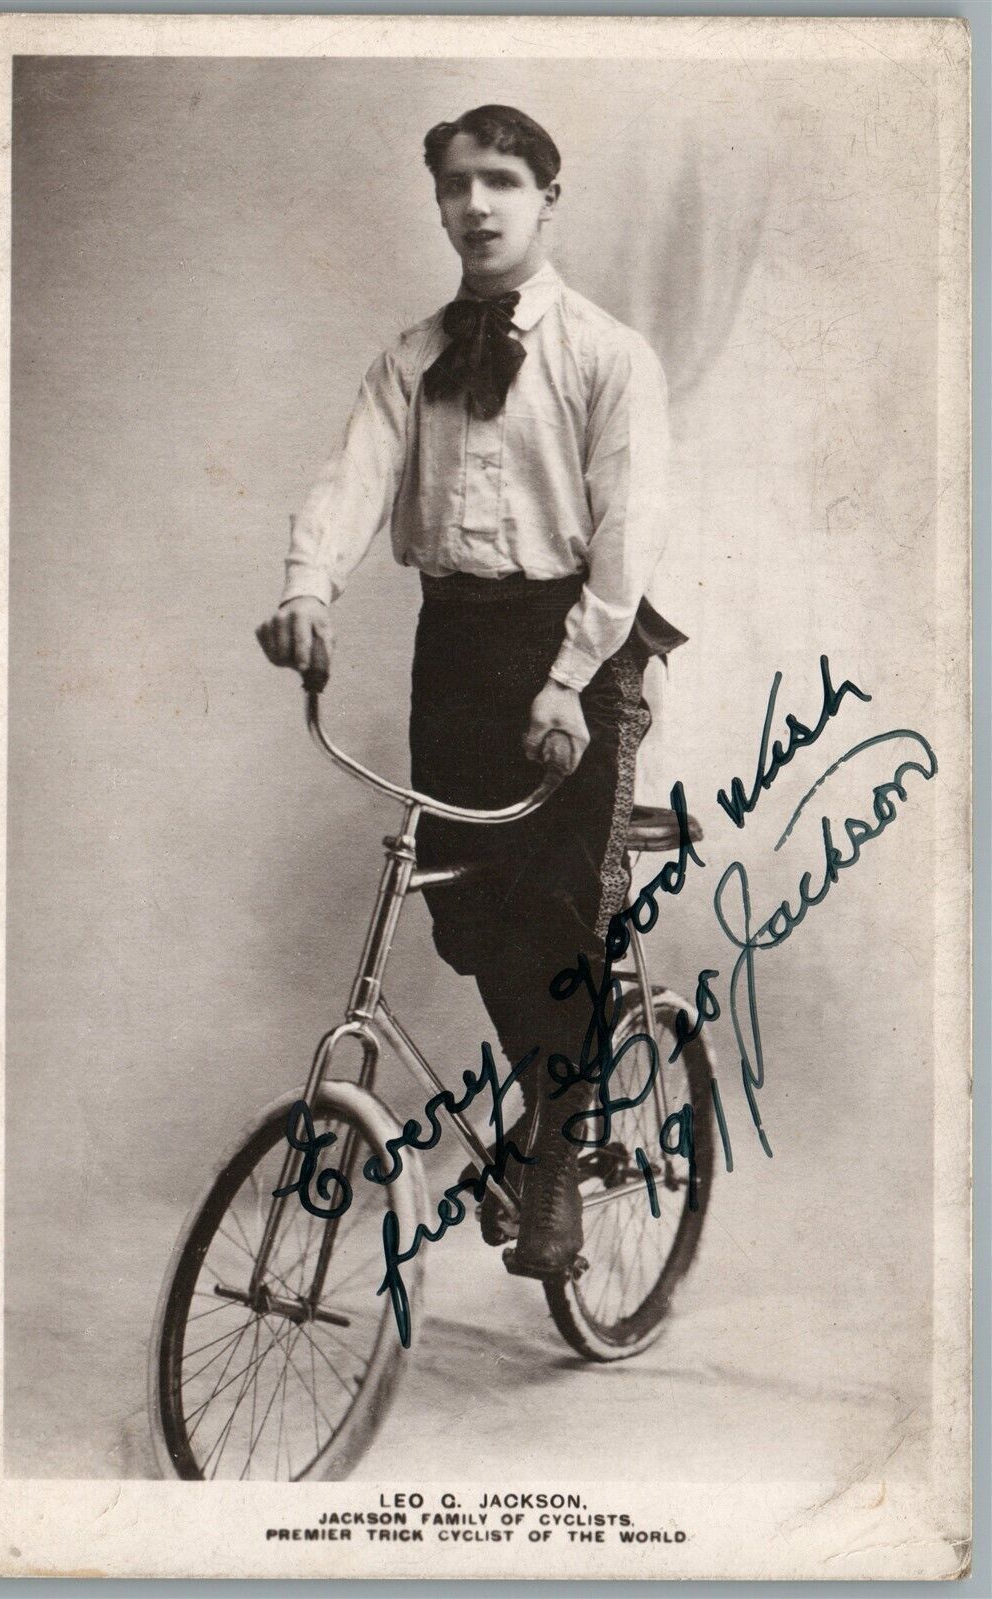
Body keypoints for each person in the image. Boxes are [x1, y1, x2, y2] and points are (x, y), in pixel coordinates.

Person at [257, 104, 684, 1279]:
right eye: (456, 184)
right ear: (439, 203)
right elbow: (353, 479)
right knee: (468, 908)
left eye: (501, 179)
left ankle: (551, 1162)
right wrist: (307, 590)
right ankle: (552, 1113)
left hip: (575, 651)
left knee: (559, 909)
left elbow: (628, 534)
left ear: (548, 198)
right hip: (452, 649)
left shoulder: (605, 353)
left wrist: (566, 682)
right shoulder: (412, 357)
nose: (477, 204)